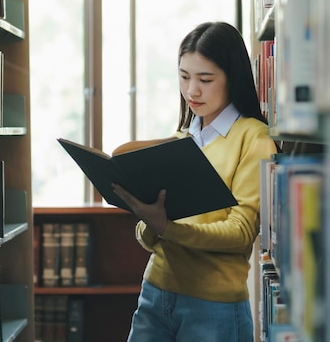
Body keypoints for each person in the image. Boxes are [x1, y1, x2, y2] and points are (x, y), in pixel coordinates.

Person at [111, 21, 278, 342]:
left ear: (233, 77)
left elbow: (241, 233)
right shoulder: (180, 140)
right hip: (154, 293)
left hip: (213, 306)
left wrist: (167, 228)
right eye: (184, 77)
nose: (192, 91)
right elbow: (149, 241)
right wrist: (150, 221)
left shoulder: (252, 138)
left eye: (205, 79)